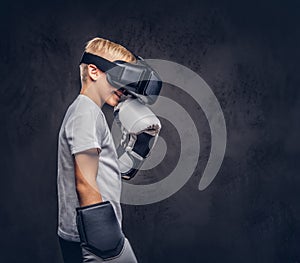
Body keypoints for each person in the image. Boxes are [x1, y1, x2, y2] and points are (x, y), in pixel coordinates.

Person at [57, 37, 138, 262]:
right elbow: (85, 182)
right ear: (94, 71)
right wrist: (106, 245)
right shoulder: (86, 112)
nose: (126, 87)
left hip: (88, 236)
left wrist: (138, 147)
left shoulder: (87, 112)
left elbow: (104, 171)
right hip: (95, 241)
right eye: (122, 76)